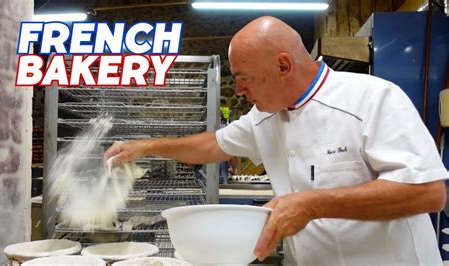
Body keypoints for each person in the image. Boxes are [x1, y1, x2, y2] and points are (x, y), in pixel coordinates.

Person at [104, 16, 447, 265]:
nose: (239, 90)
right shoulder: (265, 115)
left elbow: (428, 193)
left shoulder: (373, 98)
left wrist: (311, 204)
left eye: (244, 78)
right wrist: (145, 147)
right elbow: (213, 145)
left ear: (284, 65)